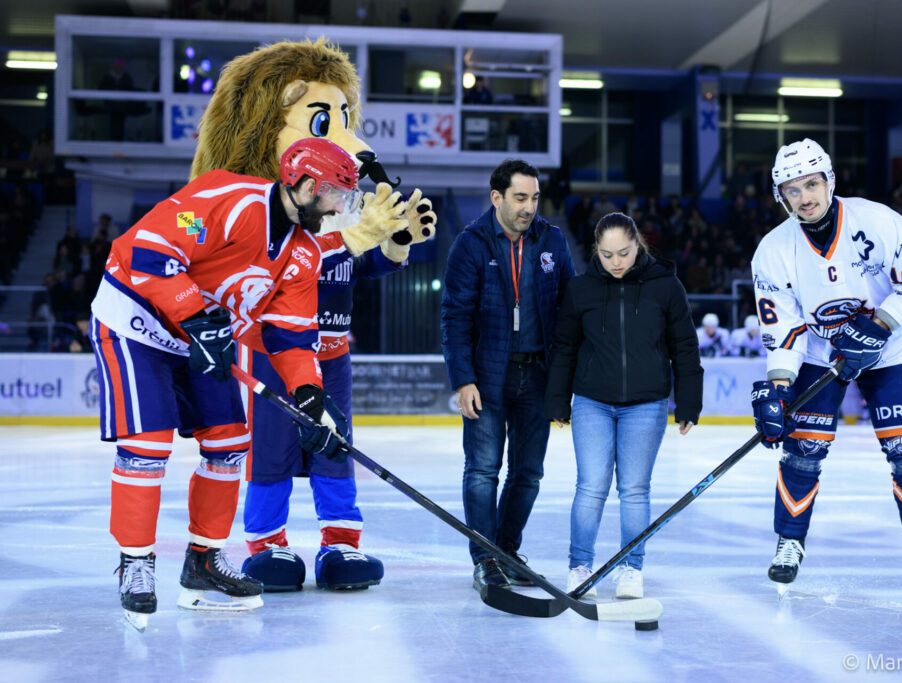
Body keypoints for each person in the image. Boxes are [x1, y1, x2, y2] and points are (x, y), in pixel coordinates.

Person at [89, 138, 364, 626]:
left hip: (201, 336)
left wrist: (312, 398)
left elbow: (290, 337)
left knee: (231, 442)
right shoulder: (229, 198)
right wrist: (196, 317)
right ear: (303, 185)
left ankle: (203, 562)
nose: (340, 208)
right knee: (146, 447)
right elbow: (151, 251)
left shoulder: (304, 254)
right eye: (335, 196)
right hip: (135, 321)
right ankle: (136, 562)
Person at [749, 138, 902, 600]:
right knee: (802, 452)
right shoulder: (773, 250)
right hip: (820, 356)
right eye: (792, 190)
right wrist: (779, 387)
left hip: (892, 351)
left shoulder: (878, 222)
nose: (805, 197)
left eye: (812, 184)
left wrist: (877, 326)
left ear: (830, 181)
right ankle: (789, 542)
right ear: (781, 197)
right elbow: (784, 327)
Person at [239, 194, 432, 592]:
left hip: (332, 357)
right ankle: (266, 544)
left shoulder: (348, 230)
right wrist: (355, 236)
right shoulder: (284, 229)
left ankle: (341, 544)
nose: (344, 197)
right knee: (273, 450)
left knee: (336, 446)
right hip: (276, 353)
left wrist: (398, 241)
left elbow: (371, 264)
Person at [545, 212, 703, 599]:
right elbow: (564, 347)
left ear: (638, 246)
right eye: (606, 254)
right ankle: (579, 566)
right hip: (592, 402)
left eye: (624, 253)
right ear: (595, 251)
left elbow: (684, 346)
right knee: (591, 487)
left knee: (634, 490)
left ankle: (631, 569)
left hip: (646, 405)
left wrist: (689, 402)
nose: (616, 262)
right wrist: (557, 400)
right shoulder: (581, 290)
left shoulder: (666, 287)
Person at [441, 159, 575, 591]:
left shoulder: (552, 239)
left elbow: (569, 312)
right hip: (486, 376)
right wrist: (463, 380)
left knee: (528, 472)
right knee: (482, 469)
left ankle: (507, 551)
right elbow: (455, 316)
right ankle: (485, 557)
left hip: (538, 375)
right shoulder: (471, 243)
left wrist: (566, 380)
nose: (529, 207)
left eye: (534, 198)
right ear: (496, 197)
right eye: (520, 198)